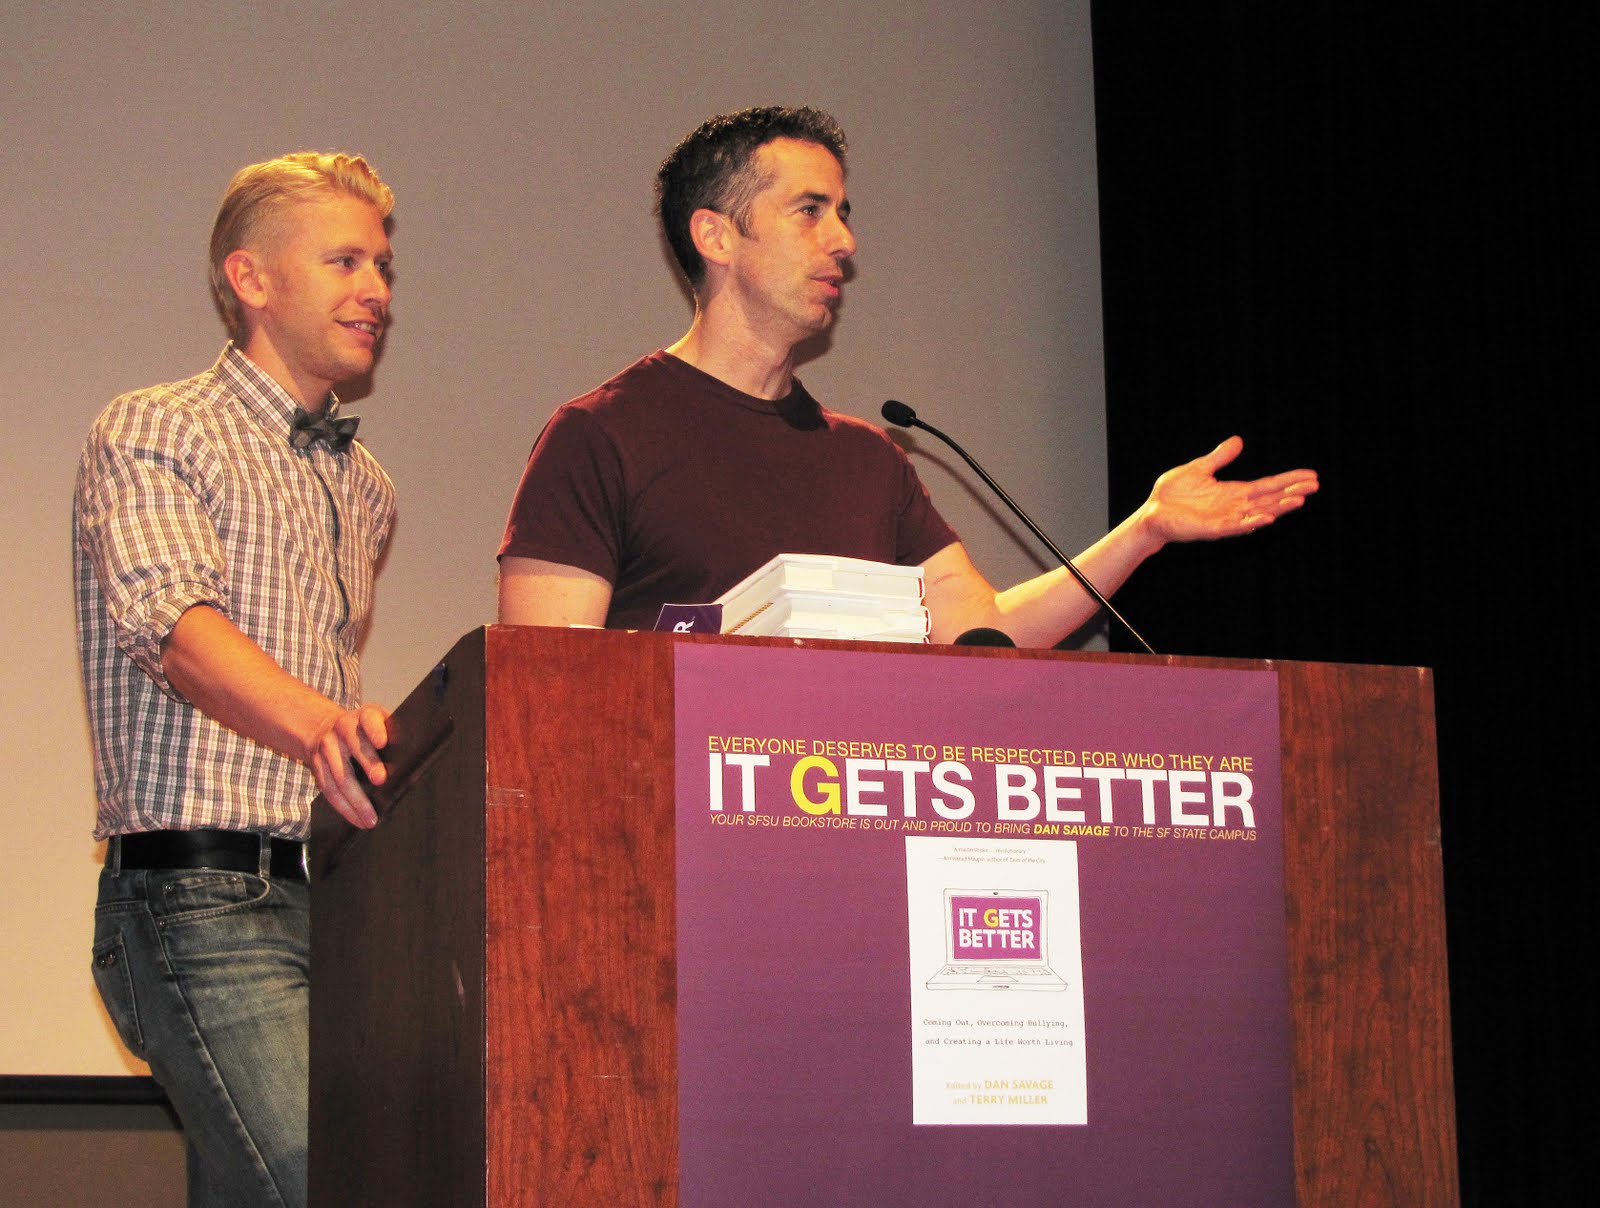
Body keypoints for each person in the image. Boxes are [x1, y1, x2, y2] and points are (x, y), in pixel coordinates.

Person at [498, 106, 1318, 642]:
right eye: (810, 211)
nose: (844, 242)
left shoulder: (867, 460)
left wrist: (1144, 529)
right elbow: (551, 697)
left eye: (844, 214)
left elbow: (986, 632)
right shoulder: (601, 437)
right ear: (715, 236)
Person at [73, 151, 397, 1208]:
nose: (377, 290)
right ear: (250, 278)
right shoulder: (157, 425)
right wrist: (321, 726)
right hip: (196, 893)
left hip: (328, 898)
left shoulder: (366, 482)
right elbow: (172, 624)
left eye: (384, 264)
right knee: (323, 1178)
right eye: (343, 258)